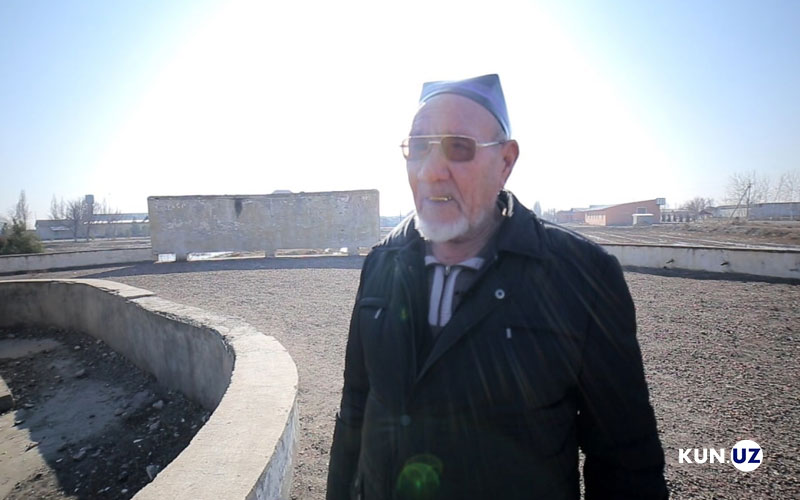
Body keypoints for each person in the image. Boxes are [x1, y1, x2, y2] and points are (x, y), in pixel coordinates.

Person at [327, 74, 667, 500]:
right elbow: (355, 410)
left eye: (459, 148)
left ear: (505, 162)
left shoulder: (583, 277)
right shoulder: (381, 263)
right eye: (418, 147)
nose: (431, 171)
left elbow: (626, 459)